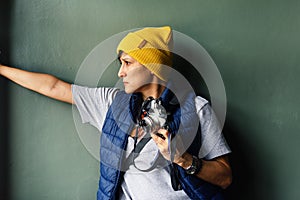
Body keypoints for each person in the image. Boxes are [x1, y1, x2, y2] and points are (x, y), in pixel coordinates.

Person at [0, 26, 232, 200]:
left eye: (128, 63)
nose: (120, 72)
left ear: (152, 68)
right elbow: (52, 87)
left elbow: (225, 178)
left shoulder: (198, 109)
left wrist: (183, 159)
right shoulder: (111, 102)